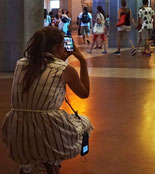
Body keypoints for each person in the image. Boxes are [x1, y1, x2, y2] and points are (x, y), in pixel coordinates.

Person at [1, 26, 92, 173]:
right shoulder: (64, 68)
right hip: (49, 128)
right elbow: (84, 93)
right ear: (57, 46)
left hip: (15, 128)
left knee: (42, 133)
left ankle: (38, 165)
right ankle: (50, 163)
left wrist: (59, 59)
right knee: (85, 123)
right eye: (63, 45)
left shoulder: (21, 64)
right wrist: (82, 61)